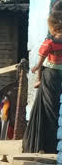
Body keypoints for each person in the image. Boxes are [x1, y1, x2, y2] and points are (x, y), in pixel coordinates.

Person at [24, 11, 62, 153]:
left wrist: (36, 68)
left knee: (48, 109)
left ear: (52, 26)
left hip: (50, 76)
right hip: (59, 75)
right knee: (57, 108)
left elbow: (41, 59)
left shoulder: (50, 42)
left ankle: (46, 144)